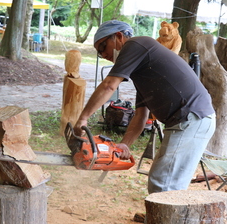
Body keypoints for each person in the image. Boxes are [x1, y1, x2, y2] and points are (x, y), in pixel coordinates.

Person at [73, 20, 216, 196]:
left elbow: (109, 86)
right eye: (99, 53)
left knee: (164, 184)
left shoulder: (137, 44)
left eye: (103, 46)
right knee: (165, 182)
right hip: (188, 120)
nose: (103, 54)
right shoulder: (141, 69)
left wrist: (83, 118)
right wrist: (124, 145)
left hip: (192, 117)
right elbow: (141, 116)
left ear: (118, 36)